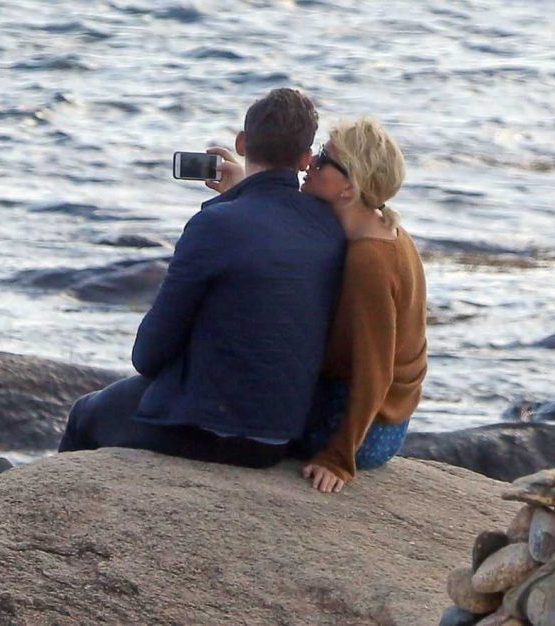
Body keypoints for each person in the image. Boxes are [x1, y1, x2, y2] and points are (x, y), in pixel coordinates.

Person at [55, 88, 346, 469]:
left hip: (212, 433)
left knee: (85, 414)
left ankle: (35, 497)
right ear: (305, 159)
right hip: (282, 434)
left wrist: (232, 201)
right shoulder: (329, 226)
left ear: (241, 143)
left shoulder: (214, 224)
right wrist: (239, 194)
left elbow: (148, 355)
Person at [295, 118, 427, 493]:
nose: (310, 162)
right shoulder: (380, 227)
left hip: (370, 430)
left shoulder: (370, 259)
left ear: (349, 188)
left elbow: (375, 370)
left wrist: (338, 458)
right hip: (378, 414)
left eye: (323, 159)